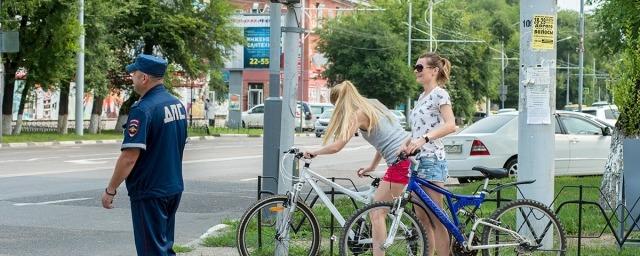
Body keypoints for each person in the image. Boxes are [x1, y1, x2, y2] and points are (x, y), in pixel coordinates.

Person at [302, 80, 410, 256]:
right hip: (405, 157)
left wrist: (315, 151)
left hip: (401, 162)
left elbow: (337, 146)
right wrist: (372, 166)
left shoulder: (357, 114)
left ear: (340, 102)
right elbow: (384, 140)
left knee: (376, 213)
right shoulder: (373, 104)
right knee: (378, 209)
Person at [101, 54, 188, 256]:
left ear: (144, 78)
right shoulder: (176, 105)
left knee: (152, 251)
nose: (131, 78)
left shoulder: (143, 109)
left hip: (150, 190)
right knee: (164, 247)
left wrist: (111, 189)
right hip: (172, 186)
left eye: (134, 74)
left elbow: (129, 157)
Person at [403, 52, 457, 256]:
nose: (416, 71)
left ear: (434, 71)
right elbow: (417, 131)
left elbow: (451, 125)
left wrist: (424, 139)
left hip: (433, 160)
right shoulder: (421, 97)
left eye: (420, 67)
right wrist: (406, 144)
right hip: (417, 163)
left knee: (437, 219)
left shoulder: (440, 94)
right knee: (422, 220)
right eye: (415, 67)